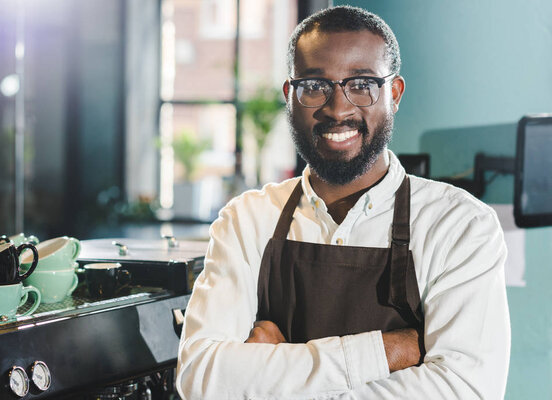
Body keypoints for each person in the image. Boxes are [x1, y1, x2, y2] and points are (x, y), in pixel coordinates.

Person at [176, 6, 510, 399]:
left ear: (394, 94)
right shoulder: (247, 220)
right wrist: (388, 351)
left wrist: (274, 373)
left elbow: (464, 390)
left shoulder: (460, 225)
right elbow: (200, 378)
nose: (338, 109)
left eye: (362, 84)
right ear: (290, 95)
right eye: (315, 85)